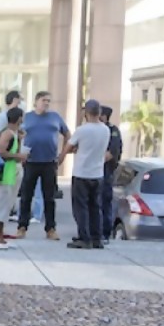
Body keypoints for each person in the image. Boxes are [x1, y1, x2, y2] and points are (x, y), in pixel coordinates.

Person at [15, 91, 70, 240]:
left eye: (48, 101)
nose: (46, 103)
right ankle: (22, 227)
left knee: (49, 197)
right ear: (36, 101)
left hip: (50, 162)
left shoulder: (55, 117)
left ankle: (50, 228)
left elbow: (67, 135)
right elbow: (16, 134)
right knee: (26, 196)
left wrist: (63, 155)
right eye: (44, 100)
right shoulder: (27, 117)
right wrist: (19, 154)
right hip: (30, 162)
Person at [59, 99, 111, 249]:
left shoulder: (82, 130)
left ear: (86, 113)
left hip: (82, 172)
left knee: (80, 207)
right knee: (95, 207)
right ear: (99, 112)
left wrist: (61, 157)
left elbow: (69, 146)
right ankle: (97, 238)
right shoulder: (105, 130)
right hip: (98, 173)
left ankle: (84, 237)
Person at [0, 107, 26, 249]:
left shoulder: (14, 134)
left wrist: (19, 140)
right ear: (19, 118)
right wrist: (19, 156)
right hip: (2, 175)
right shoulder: (7, 133)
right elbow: (1, 151)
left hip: (9, 175)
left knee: (4, 207)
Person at [99, 105, 123, 242]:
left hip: (106, 171)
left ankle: (105, 232)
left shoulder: (112, 130)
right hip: (94, 171)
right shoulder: (95, 129)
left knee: (104, 202)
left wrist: (95, 162)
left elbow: (112, 152)